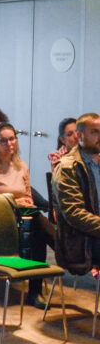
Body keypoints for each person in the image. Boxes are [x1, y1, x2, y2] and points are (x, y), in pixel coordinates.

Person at [0, 122, 56, 308]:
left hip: (25, 215)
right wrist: (15, 202)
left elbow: (28, 196)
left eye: (12, 139)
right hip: (0, 217)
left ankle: (35, 292)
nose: (9, 144)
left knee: (37, 230)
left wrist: (25, 203)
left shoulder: (21, 166)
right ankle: (64, 250)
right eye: (3, 140)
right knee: (39, 224)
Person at [52, 113, 100, 276]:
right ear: (80, 136)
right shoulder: (67, 168)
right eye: (95, 132)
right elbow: (74, 214)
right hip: (81, 241)